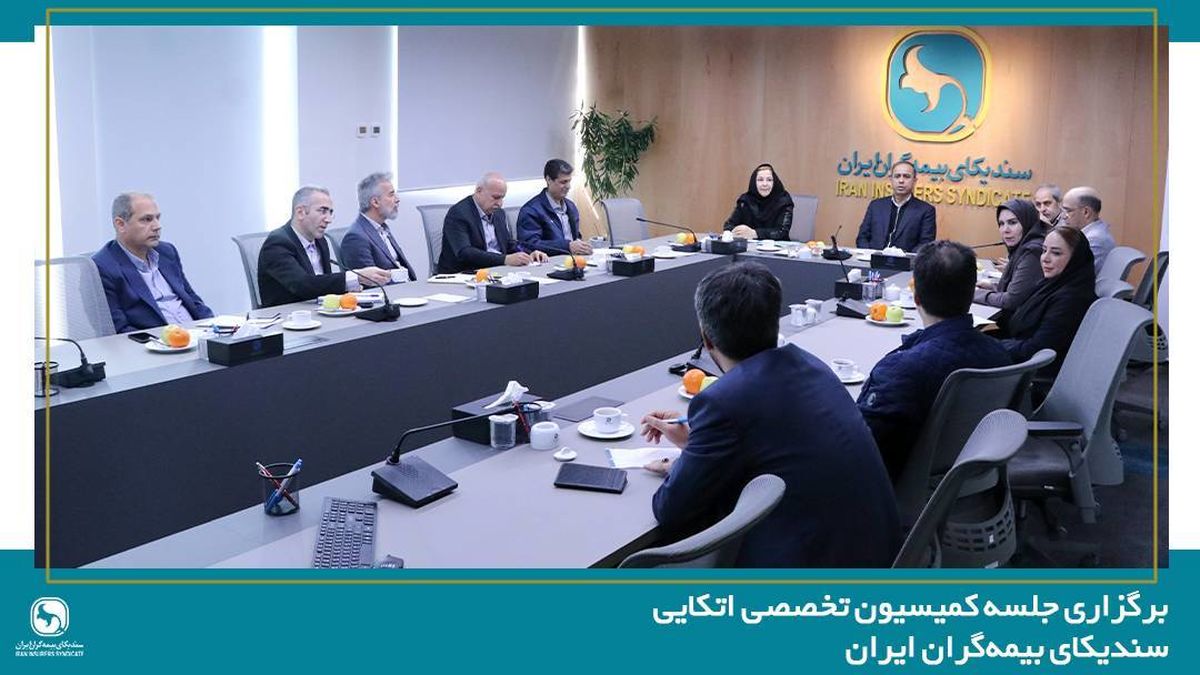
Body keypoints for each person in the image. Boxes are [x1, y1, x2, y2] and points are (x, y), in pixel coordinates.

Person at [640, 262, 900, 567]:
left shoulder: (723, 401)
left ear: (706, 338)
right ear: (775, 323)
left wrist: (681, 464)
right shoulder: (813, 367)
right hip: (882, 555)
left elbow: (671, 510)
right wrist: (697, 444)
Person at [858, 241, 1013, 479]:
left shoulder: (901, 370)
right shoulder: (1000, 356)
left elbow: (861, 451)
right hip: (972, 482)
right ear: (971, 293)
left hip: (903, 490)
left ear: (916, 298)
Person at [93, 192, 214, 333]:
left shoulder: (167, 252)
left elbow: (192, 299)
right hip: (159, 342)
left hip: (196, 334)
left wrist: (214, 326)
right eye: (147, 219)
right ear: (121, 224)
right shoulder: (101, 267)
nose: (157, 226)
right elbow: (119, 330)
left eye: (157, 218)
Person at [257, 186, 392, 307]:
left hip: (319, 313)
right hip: (288, 318)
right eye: (322, 211)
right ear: (300, 212)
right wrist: (356, 277)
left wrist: (353, 288)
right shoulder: (277, 243)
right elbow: (303, 285)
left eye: (330, 212)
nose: (328, 219)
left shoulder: (320, 241)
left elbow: (323, 286)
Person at [992, 225, 1097, 375]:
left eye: (1056, 253)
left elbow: (1035, 349)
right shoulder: (1053, 284)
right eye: (1044, 250)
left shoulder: (1070, 299)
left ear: (1076, 258)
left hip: (1029, 370)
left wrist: (989, 346)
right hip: (1019, 349)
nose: (1045, 258)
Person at [437, 172, 548, 274]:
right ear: (479, 191)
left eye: (502, 198)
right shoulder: (459, 213)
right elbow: (465, 252)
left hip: (496, 271)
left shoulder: (498, 213)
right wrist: (505, 259)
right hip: (463, 274)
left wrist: (529, 253)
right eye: (495, 198)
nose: (500, 203)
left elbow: (508, 244)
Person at [339, 171, 417, 281]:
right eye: (391, 194)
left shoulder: (383, 228)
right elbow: (371, 283)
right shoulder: (356, 238)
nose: (397, 199)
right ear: (375, 202)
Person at [974, 199, 1047, 311]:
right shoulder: (1022, 247)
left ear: (1027, 222)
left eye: (1012, 222)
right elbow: (1021, 291)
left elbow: (1011, 300)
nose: (1005, 230)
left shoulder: (1033, 251)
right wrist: (993, 287)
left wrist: (972, 294)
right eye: (1001, 224)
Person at [854, 160, 936, 252]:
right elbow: (862, 237)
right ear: (891, 179)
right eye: (897, 176)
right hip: (874, 258)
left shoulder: (926, 210)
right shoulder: (876, 206)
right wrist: (870, 254)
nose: (901, 180)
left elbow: (926, 244)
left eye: (906, 176)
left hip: (905, 260)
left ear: (914, 181)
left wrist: (904, 257)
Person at [516, 159, 592, 256]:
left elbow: (575, 237)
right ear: (548, 180)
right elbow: (530, 245)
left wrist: (582, 246)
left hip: (574, 259)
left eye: (569, 181)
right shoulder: (531, 210)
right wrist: (567, 246)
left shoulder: (571, 207)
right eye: (563, 182)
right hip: (550, 261)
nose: (568, 186)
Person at [722, 163, 793, 241]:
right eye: (760, 180)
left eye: (769, 180)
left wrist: (755, 233)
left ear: (774, 182)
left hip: (777, 247)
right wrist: (736, 231)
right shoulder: (745, 201)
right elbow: (729, 225)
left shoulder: (784, 201)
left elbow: (782, 232)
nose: (765, 184)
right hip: (748, 247)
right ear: (754, 182)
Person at [1061, 186, 1116, 275]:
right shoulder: (1090, 234)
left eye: (1068, 211)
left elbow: (1072, 275)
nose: (1063, 216)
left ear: (1086, 212)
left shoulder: (1095, 240)